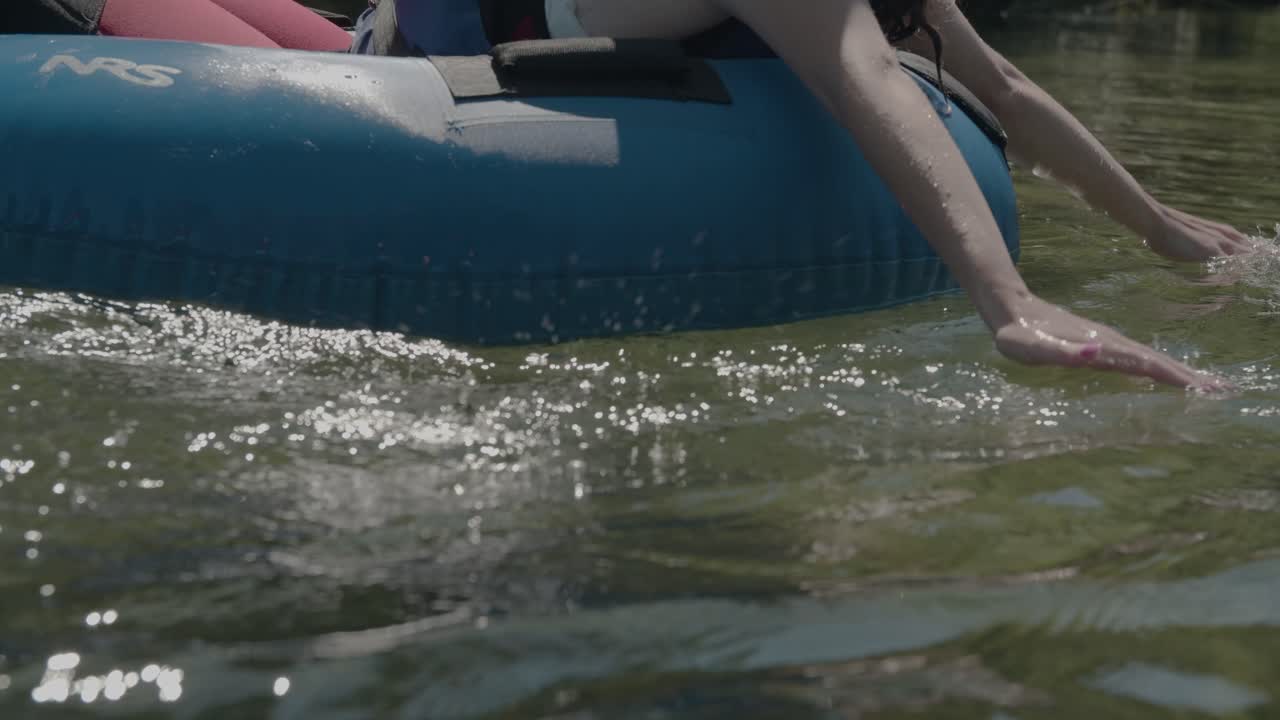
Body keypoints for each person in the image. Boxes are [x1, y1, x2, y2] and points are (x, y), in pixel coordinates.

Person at [357, 0, 1252, 388]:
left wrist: (1159, 226)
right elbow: (860, 68)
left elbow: (1004, 84)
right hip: (401, 61)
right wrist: (1009, 304)